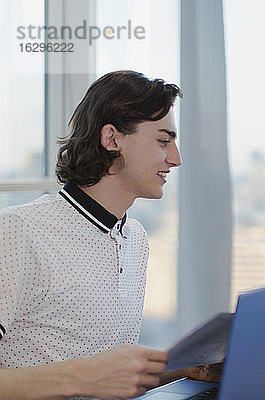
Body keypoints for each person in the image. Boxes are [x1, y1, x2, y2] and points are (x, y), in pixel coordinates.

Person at [0, 70, 216, 399]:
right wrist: (78, 377)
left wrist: (185, 368)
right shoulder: (19, 232)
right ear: (112, 139)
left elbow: (107, 377)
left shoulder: (136, 240)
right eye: (163, 140)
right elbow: (89, 376)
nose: (176, 158)